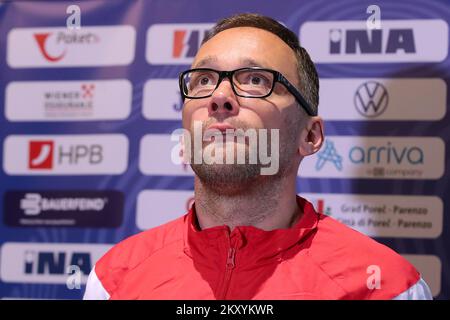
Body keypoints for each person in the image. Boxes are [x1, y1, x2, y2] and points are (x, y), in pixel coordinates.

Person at [83, 13, 432, 300]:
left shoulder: (387, 288)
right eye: (204, 79)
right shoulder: (114, 280)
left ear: (309, 136)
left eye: (254, 80)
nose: (219, 97)